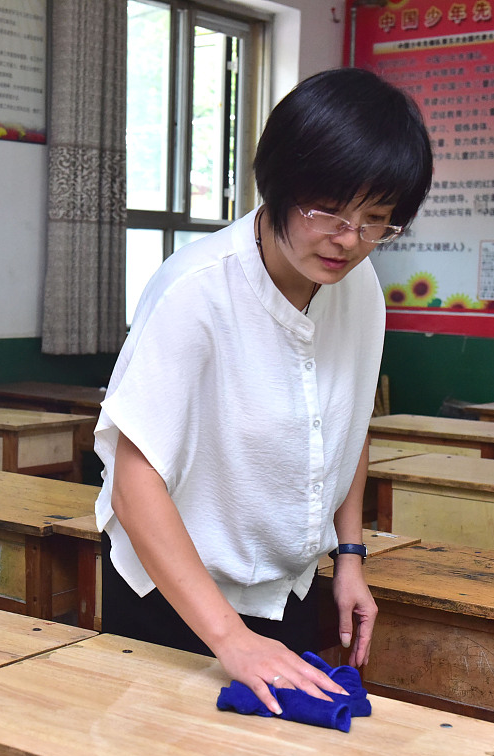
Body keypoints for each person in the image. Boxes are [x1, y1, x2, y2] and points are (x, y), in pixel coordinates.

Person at [93, 68, 433, 715]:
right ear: (276, 183)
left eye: (376, 219)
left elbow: (345, 424)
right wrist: (229, 638)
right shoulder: (194, 291)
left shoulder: (361, 291)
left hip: (290, 591)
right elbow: (134, 484)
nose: (349, 239)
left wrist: (351, 557)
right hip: (172, 600)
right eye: (329, 210)